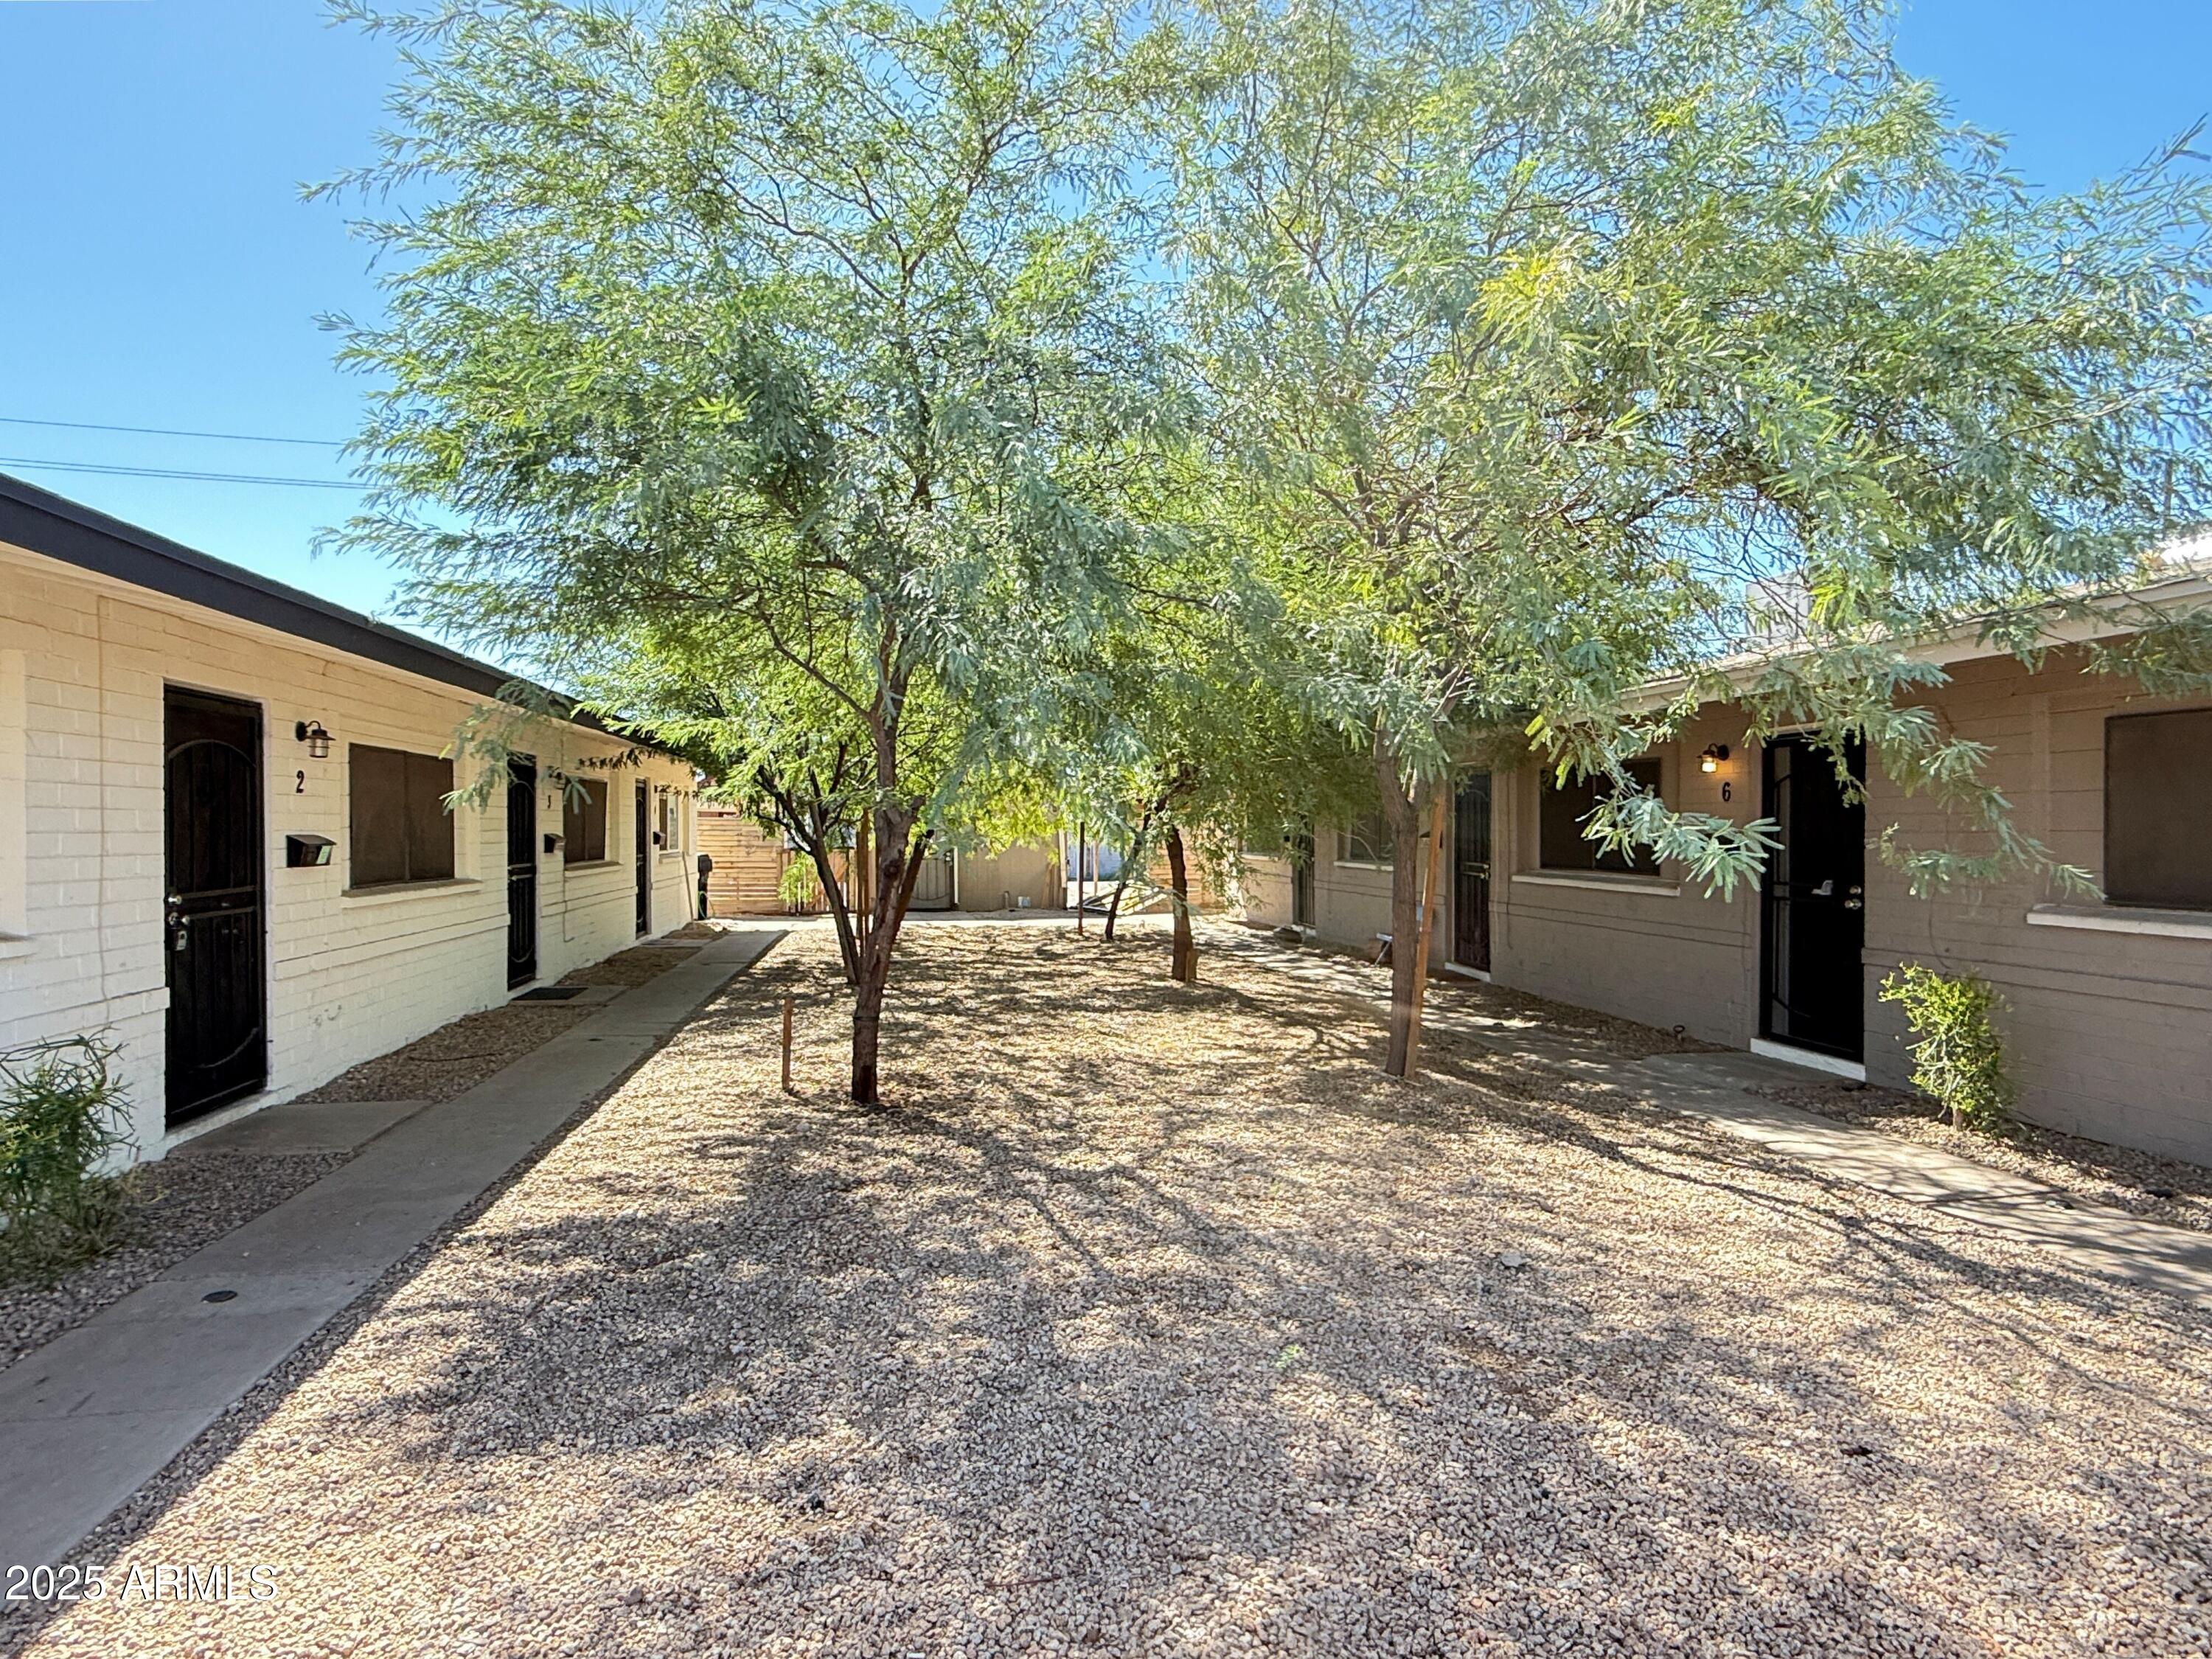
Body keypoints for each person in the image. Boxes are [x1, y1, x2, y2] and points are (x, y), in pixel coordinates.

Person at [695, 852, 714, 920]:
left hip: (702, 882)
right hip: (702, 882)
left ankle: (702, 915)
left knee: (703, 892)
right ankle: (702, 915)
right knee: (702, 893)